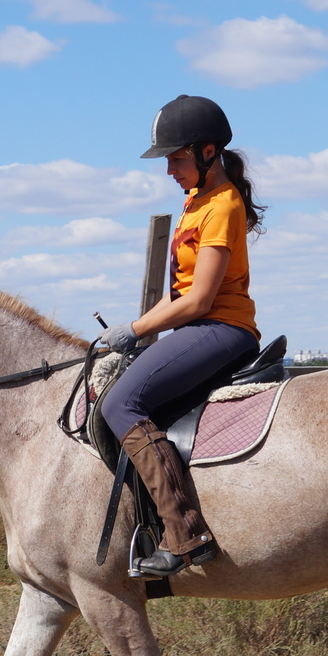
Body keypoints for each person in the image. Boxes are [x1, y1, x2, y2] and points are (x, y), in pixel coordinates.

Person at [97, 94, 266, 578]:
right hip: (198, 329)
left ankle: (184, 536)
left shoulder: (223, 205)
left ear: (207, 152)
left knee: (119, 405)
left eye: (175, 157)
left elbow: (198, 301)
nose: (168, 168)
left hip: (221, 329)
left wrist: (134, 329)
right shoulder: (196, 202)